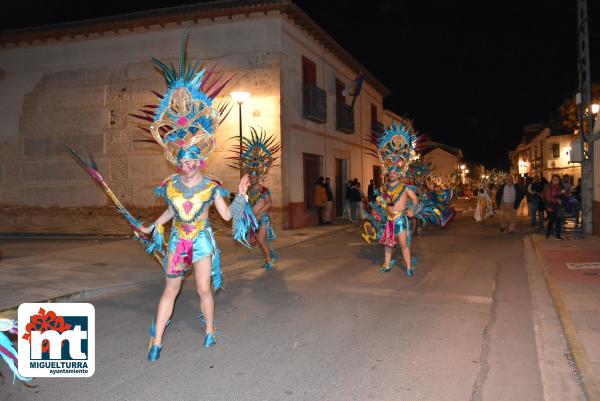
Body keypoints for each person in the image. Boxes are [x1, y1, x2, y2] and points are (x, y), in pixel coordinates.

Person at [129, 33, 257, 361]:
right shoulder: (171, 185)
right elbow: (171, 212)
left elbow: (227, 218)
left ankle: (211, 329)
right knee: (170, 289)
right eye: (181, 161)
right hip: (177, 242)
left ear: (199, 160)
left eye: (190, 161)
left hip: (201, 241)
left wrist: (240, 197)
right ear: (177, 161)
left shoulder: (212, 187)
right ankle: (155, 340)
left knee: (203, 289)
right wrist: (150, 228)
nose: (186, 166)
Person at [361, 123, 422, 277]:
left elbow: (416, 201)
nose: (392, 174)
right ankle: (387, 265)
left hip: (401, 219)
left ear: (400, 173)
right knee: (387, 244)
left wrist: (412, 210)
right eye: (390, 172)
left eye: (395, 172)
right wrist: (376, 210)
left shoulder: (406, 187)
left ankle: (408, 267)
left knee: (403, 244)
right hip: (388, 219)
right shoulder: (384, 187)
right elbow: (381, 201)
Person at [233, 128, 280, 270]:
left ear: (258, 177)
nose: (252, 179)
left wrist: (259, 213)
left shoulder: (263, 190)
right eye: (251, 177)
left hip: (263, 218)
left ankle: (269, 260)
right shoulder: (248, 190)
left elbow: (269, 203)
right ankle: (271, 256)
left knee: (260, 239)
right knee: (259, 241)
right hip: (254, 219)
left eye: (254, 177)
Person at [544, 174, 565, 240]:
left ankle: (558, 235)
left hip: (558, 206)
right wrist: (556, 200)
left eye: (557, 179)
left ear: (559, 180)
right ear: (552, 180)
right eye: (554, 179)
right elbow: (548, 197)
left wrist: (564, 193)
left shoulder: (561, 187)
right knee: (552, 219)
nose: (556, 180)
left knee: (558, 220)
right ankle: (548, 232)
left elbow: (564, 194)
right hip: (550, 205)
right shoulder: (548, 187)